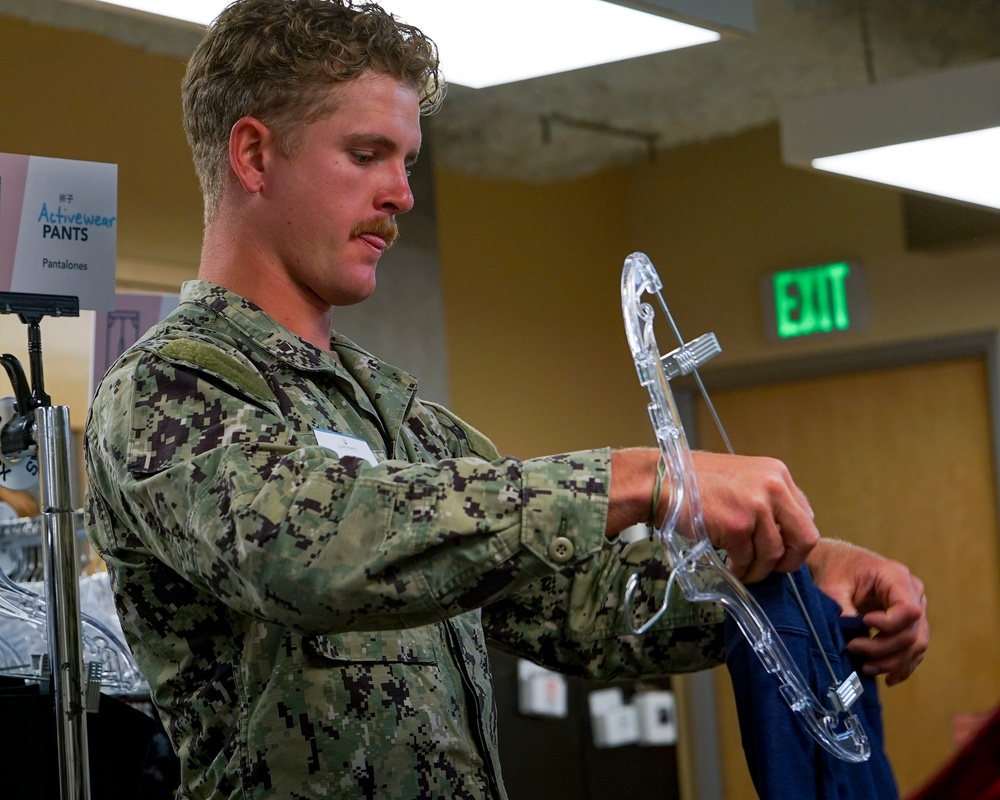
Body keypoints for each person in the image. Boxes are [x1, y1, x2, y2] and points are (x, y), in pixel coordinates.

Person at [83, 1, 929, 797]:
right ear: (255, 154)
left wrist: (806, 584)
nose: (402, 195)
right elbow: (315, 548)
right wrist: (638, 479)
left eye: (406, 162)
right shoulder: (167, 388)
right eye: (366, 154)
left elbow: (583, 606)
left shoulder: (400, 418)